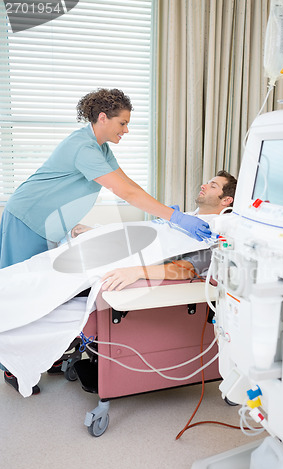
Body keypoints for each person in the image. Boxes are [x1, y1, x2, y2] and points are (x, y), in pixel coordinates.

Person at [0, 88, 211, 392]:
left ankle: (45, 355)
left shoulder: (100, 148)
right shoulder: (83, 147)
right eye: (122, 123)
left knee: (44, 292)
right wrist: (173, 217)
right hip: (27, 218)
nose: (127, 129)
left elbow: (129, 183)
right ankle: (11, 367)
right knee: (22, 292)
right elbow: (125, 193)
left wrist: (167, 214)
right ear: (102, 118)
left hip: (48, 222)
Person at [73, 170, 237, 292]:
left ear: (226, 200)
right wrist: (97, 231)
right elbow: (142, 231)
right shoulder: (185, 217)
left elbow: (186, 268)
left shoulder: (214, 232)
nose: (204, 185)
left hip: (123, 259)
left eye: (212, 185)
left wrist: (137, 272)